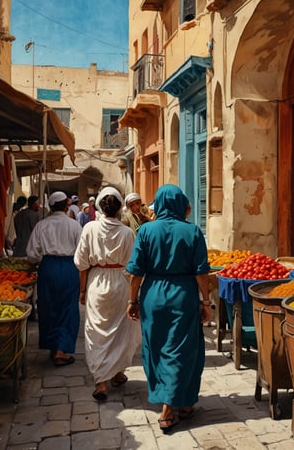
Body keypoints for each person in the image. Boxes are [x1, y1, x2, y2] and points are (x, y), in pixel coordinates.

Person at [126, 184, 212, 433]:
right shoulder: (192, 231)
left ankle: (177, 403)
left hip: (153, 295)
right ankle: (171, 409)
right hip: (183, 296)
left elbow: (136, 272)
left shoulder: (145, 231)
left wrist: (133, 300)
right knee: (183, 351)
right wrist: (206, 302)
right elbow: (201, 272)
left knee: (157, 349)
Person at [73, 187, 141, 401]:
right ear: (121, 208)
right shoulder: (127, 233)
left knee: (96, 331)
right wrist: (134, 297)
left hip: (97, 283)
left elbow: (82, 263)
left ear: (99, 207)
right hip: (120, 283)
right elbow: (133, 267)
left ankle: (101, 382)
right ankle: (118, 372)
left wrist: (82, 290)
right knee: (121, 330)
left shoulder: (90, 229)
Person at [26, 191, 83, 366]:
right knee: (68, 307)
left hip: (48, 268)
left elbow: (32, 254)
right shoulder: (74, 226)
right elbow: (82, 251)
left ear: (51, 206)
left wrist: (36, 262)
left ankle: (54, 347)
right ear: (66, 206)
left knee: (48, 306)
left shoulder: (41, 226)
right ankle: (61, 349)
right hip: (69, 268)